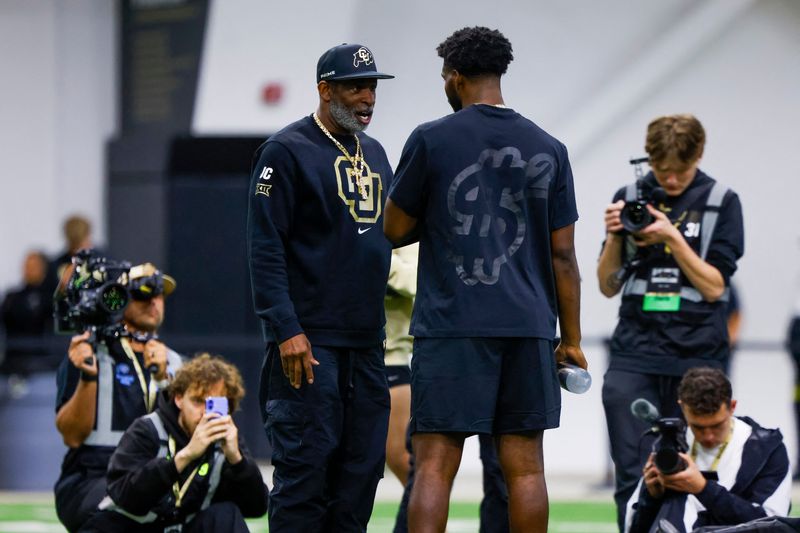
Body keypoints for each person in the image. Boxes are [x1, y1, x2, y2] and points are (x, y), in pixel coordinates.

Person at [384, 26, 585, 533]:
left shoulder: (431, 139)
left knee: (433, 465)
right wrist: (573, 342)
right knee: (526, 467)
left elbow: (393, 229)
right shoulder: (550, 147)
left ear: (453, 77)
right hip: (528, 328)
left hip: (453, 326)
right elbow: (565, 257)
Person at [247, 42, 394, 532]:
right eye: (356, 86)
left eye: (372, 86)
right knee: (304, 477)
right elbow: (265, 247)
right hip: (309, 345)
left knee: (360, 480)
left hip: (367, 346)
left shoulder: (375, 153)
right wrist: (286, 328)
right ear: (324, 89)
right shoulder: (285, 151)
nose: (367, 97)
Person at [597, 114, 745, 531]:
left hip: (697, 356)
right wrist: (613, 237)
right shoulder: (631, 196)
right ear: (650, 161)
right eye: (663, 172)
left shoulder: (722, 201)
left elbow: (716, 287)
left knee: (693, 469)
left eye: (681, 172)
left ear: (699, 154)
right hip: (634, 353)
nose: (673, 181)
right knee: (631, 471)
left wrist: (672, 238)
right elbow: (608, 286)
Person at [54, 262, 182, 532]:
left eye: (160, 294)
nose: (154, 301)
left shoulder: (176, 363)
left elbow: (191, 432)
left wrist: (164, 381)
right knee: (139, 505)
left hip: (155, 477)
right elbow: (72, 436)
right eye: (144, 292)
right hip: (93, 477)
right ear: (119, 297)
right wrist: (88, 375)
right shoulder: (91, 352)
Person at [80, 353, 268, 532]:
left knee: (226, 515)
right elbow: (124, 496)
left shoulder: (226, 443)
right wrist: (184, 457)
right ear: (178, 398)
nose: (204, 413)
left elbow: (257, 508)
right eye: (197, 401)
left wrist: (238, 461)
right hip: (128, 526)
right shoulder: (148, 429)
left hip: (176, 527)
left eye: (213, 404)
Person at [625, 367, 791, 533]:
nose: (708, 436)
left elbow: (774, 527)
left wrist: (703, 489)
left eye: (717, 426)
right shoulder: (670, 444)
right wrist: (651, 497)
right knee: (675, 500)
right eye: (698, 427)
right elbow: (635, 528)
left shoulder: (767, 450)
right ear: (682, 408)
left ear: (732, 407)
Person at [1, 250, 57, 383]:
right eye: (26, 266)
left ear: (43, 269)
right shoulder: (12, 298)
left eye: (33, 266)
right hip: (12, 362)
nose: (28, 270)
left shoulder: (51, 300)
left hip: (42, 365)